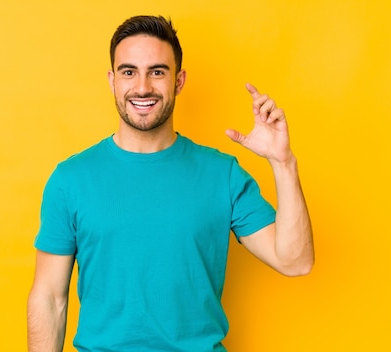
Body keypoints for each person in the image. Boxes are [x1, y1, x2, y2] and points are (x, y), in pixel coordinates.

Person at [27, 15, 314, 352]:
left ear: (179, 81)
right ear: (112, 80)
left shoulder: (222, 174)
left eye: (157, 71)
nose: (143, 86)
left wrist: (283, 162)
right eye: (129, 71)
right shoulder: (70, 179)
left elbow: (295, 261)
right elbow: (49, 298)